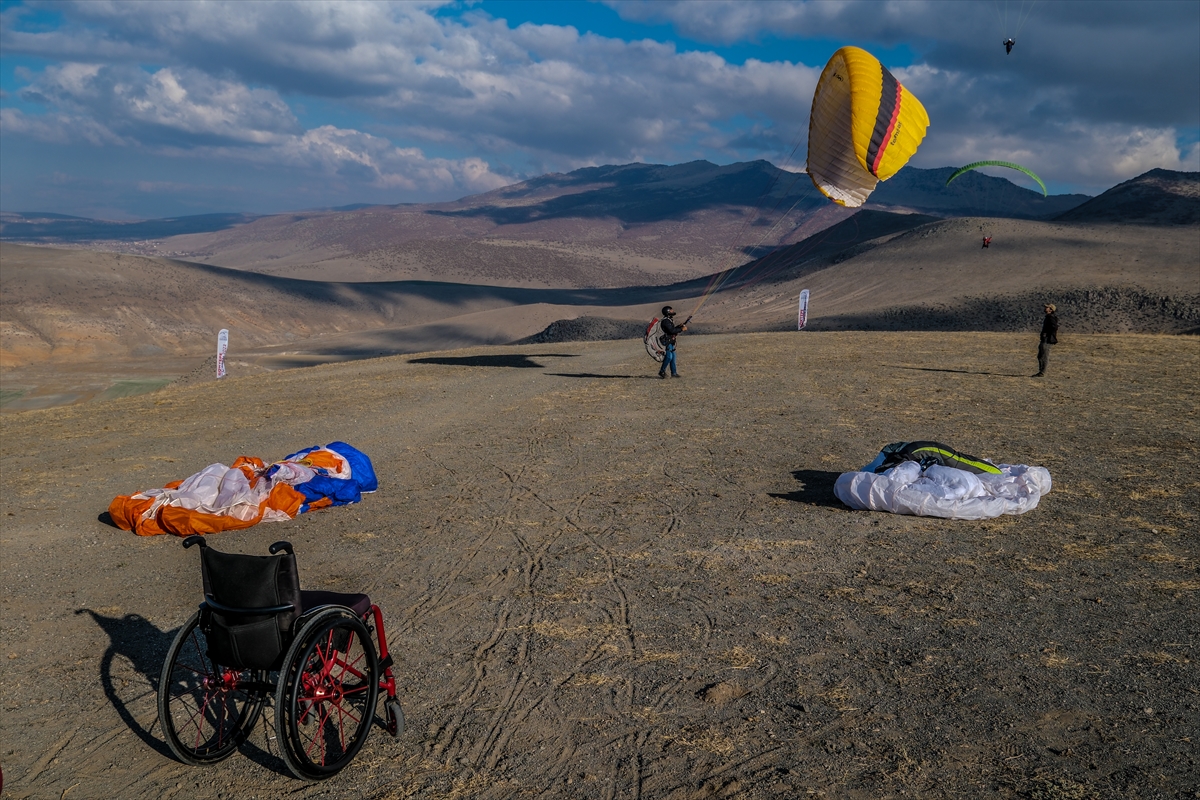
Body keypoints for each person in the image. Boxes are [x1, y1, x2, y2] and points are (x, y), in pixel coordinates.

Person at [657, 306, 688, 379]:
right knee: (669, 357)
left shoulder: (668, 320)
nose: (673, 311)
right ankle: (662, 371)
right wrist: (681, 329)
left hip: (671, 341)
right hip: (667, 341)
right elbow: (672, 331)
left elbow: (672, 329)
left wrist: (679, 326)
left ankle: (674, 373)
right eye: (671, 310)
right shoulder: (666, 321)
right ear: (667, 312)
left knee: (673, 357)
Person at [1034, 303, 1058, 377]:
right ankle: (1041, 371)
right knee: (1040, 355)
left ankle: (1042, 372)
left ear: (1051, 309)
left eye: (1047, 307)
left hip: (1047, 340)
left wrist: (1048, 334)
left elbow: (1054, 327)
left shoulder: (1051, 317)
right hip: (1045, 339)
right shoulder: (1048, 317)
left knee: (1044, 355)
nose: (1045, 308)